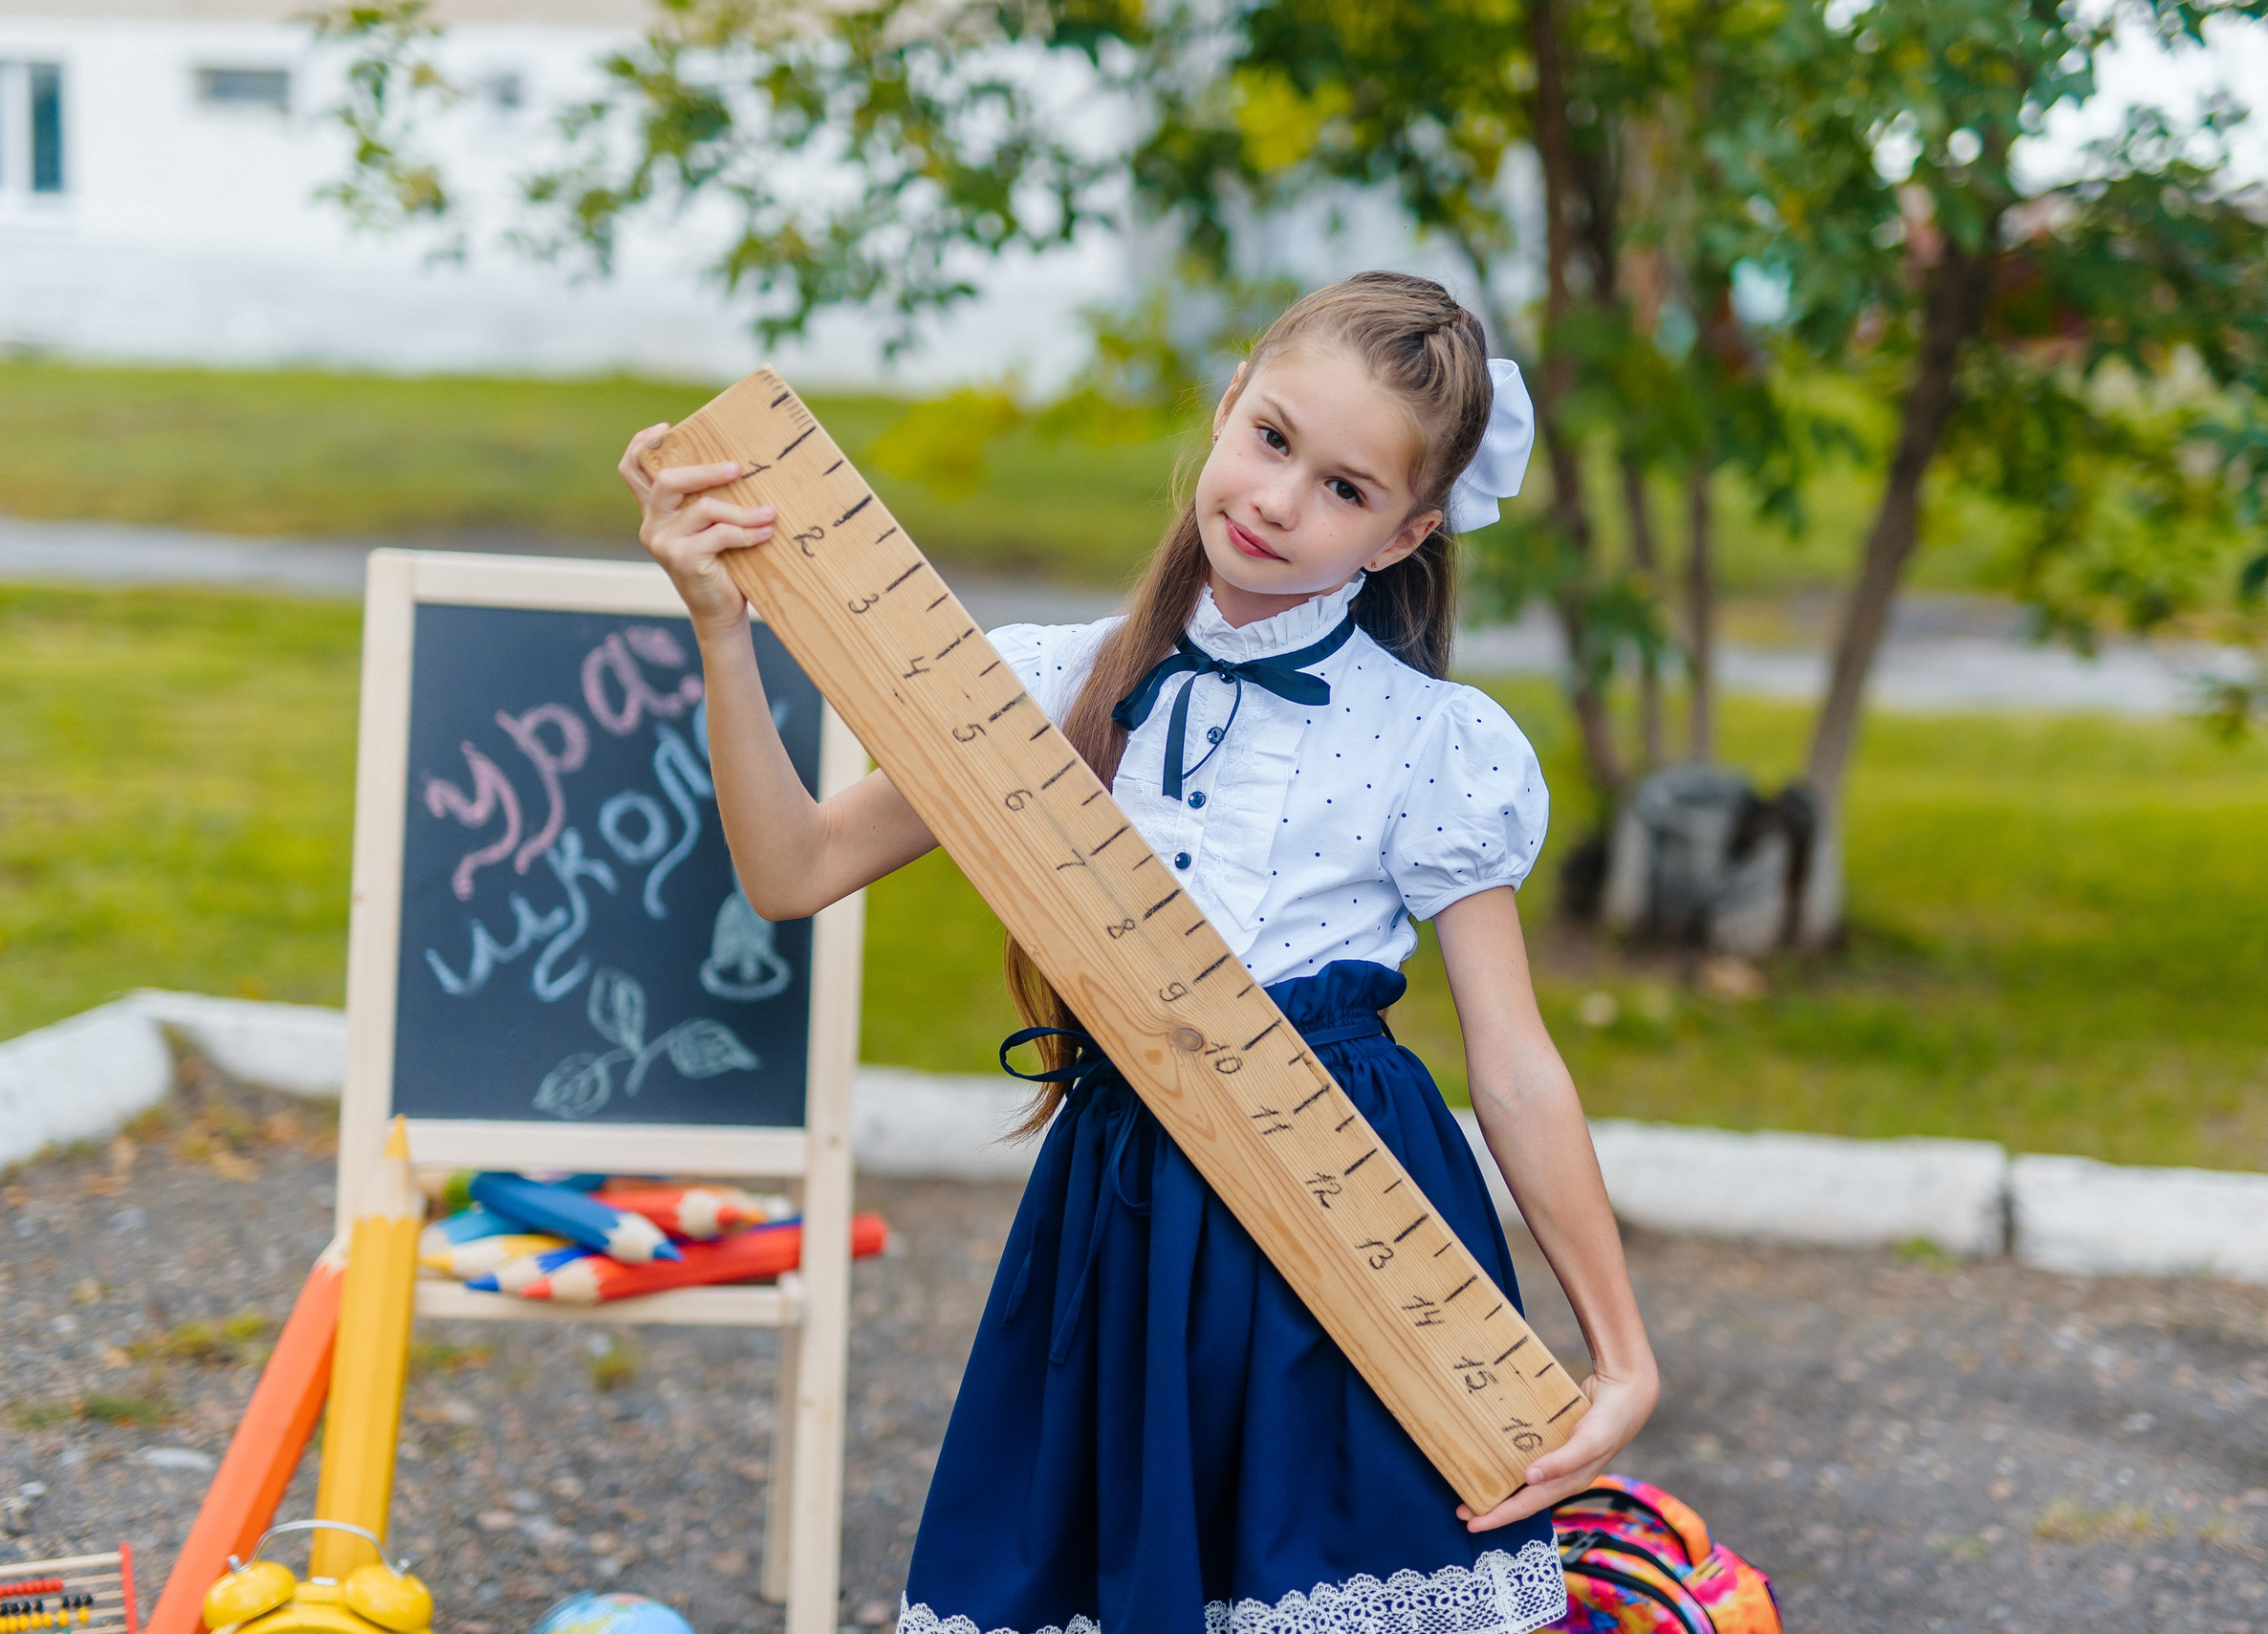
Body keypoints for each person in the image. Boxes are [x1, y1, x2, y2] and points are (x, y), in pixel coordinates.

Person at [620, 272, 1660, 1634]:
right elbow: (794, 867)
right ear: (1229, 404)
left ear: (1410, 533)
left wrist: (1620, 1352)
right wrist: (721, 627)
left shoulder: (1435, 741)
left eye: (1346, 490)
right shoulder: (1043, 682)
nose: (1281, 499)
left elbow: (1513, 1065)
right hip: (1123, 1212)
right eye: (1275, 438)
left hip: (1354, 1222)